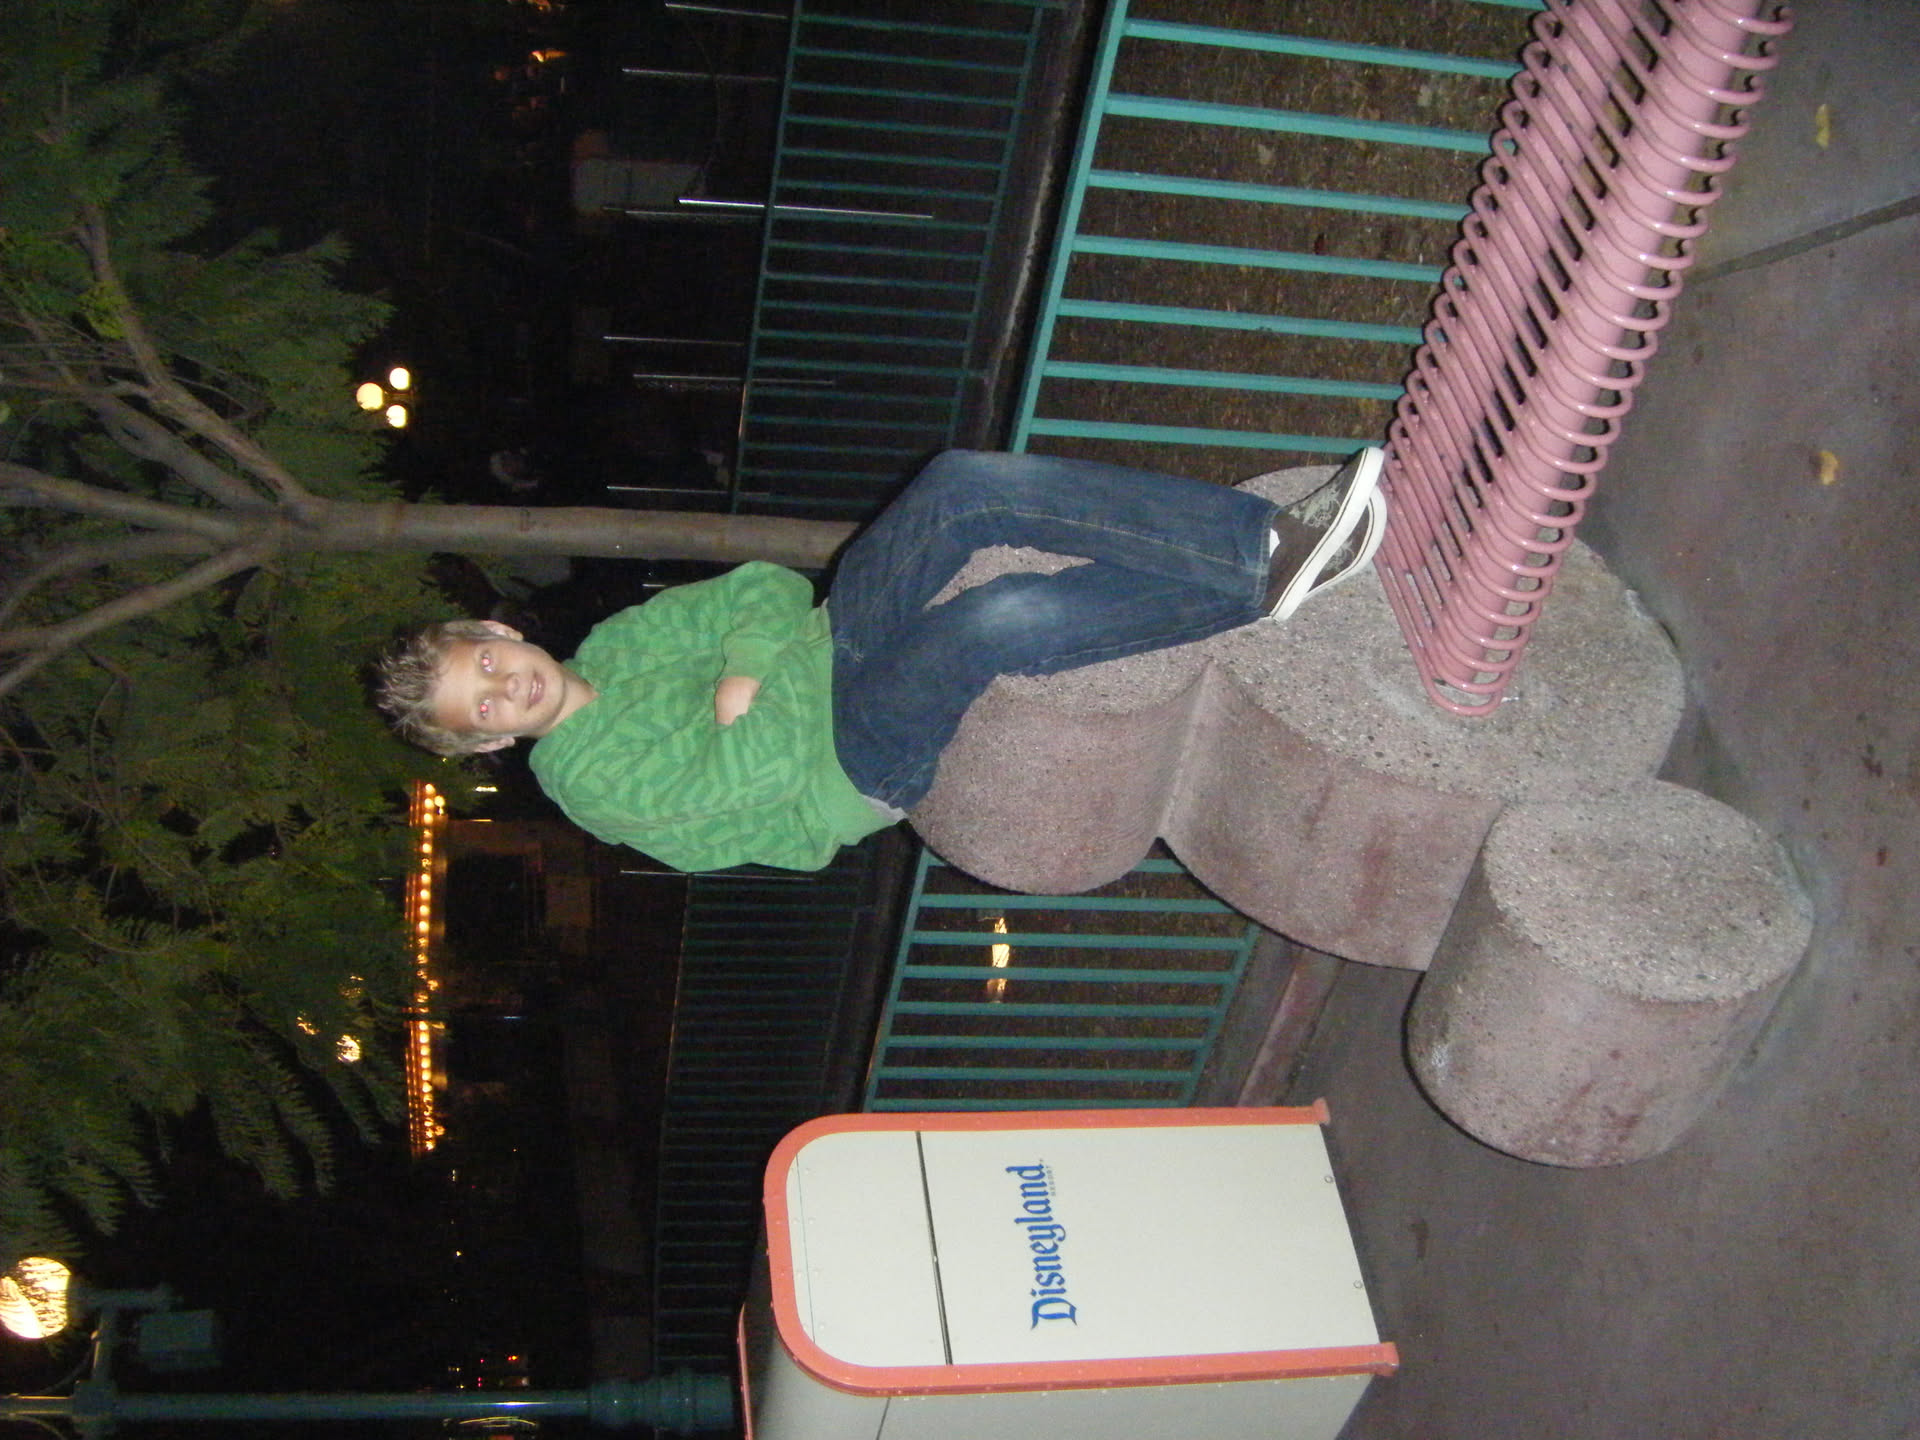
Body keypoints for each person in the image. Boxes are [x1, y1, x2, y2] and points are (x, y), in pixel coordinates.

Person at [375, 448, 1386, 872]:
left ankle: (1258, 551)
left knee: (958, 486)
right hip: (847, 768)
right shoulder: (587, 781)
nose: (506, 689)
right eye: (485, 710)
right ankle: (1263, 579)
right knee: (981, 625)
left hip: (831, 647)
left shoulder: (614, 644)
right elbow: (765, 767)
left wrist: (746, 674)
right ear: (490, 745)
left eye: (487, 667)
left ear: (497, 635)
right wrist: (753, 680)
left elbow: (761, 591)